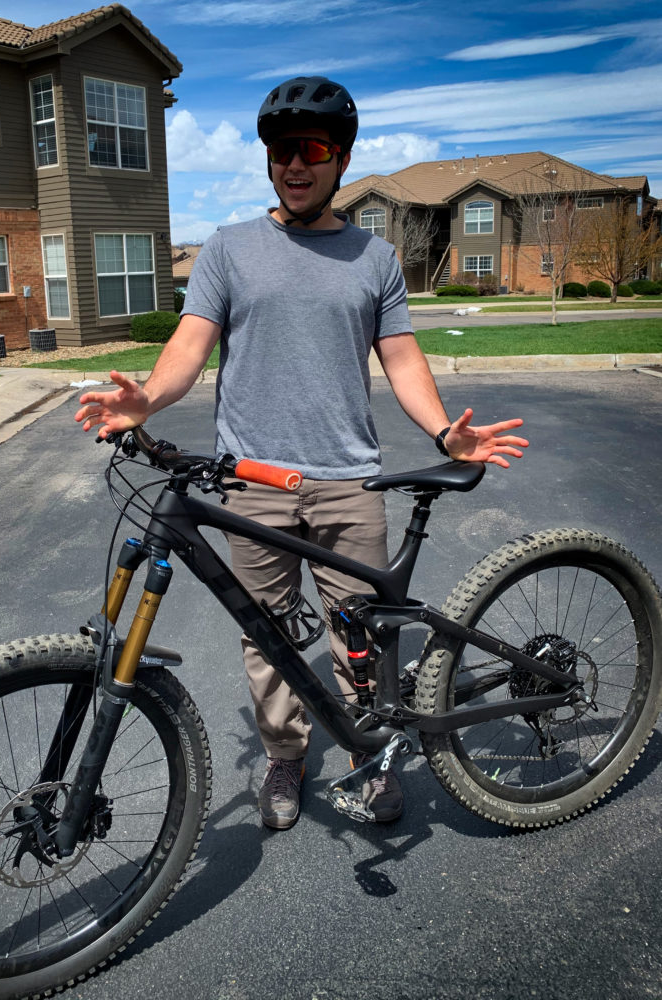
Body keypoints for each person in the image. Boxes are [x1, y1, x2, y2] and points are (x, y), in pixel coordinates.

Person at [75, 76, 528, 831]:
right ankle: (286, 754)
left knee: (363, 631)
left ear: (339, 160)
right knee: (268, 636)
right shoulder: (228, 250)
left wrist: (443, 432)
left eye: (312, 149)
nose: (295, 164)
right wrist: (147, 399)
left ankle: (368, 753)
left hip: (349, 480)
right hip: (253, 480)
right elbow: (189, 345)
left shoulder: (375, 258)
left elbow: (401, 357)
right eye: (282, 149)